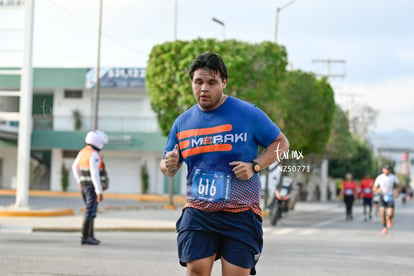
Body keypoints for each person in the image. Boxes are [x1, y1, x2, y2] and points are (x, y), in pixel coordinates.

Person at [160, 52, 289, 276]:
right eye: (198, 82)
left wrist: (255, 166)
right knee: (197, 270)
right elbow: (168, 166)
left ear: (224, 83)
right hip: (199, 211)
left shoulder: (248, 114)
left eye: (211, 82)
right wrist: (169, 164)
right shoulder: (182, 123)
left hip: (240, 212)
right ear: (192, 82)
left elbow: (281, 143)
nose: (204, 88)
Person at [72, 130, 109, 245]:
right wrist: (99, 191)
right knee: (90, 211)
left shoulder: (82, 152)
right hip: (91, 188)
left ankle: (90, 236)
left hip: (84, 186)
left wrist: (79, 181)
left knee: (91, 211)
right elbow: (94, 173)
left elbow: (74, 167)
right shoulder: (93, 154)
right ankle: (85, 237)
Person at [373, 164, 402, 235]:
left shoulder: (393, 177)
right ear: (383, 170)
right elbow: (374, 188)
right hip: (382, 196)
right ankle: (384, 227)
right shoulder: (379, 177)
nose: (387, 170)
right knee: (382, 212)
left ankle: (389, 219)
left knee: (390, 213)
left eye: (388, 169)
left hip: (390, 195)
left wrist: (397, 191)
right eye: (386, 169)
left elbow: (400, 185)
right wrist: (378, 190)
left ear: (390, 170)